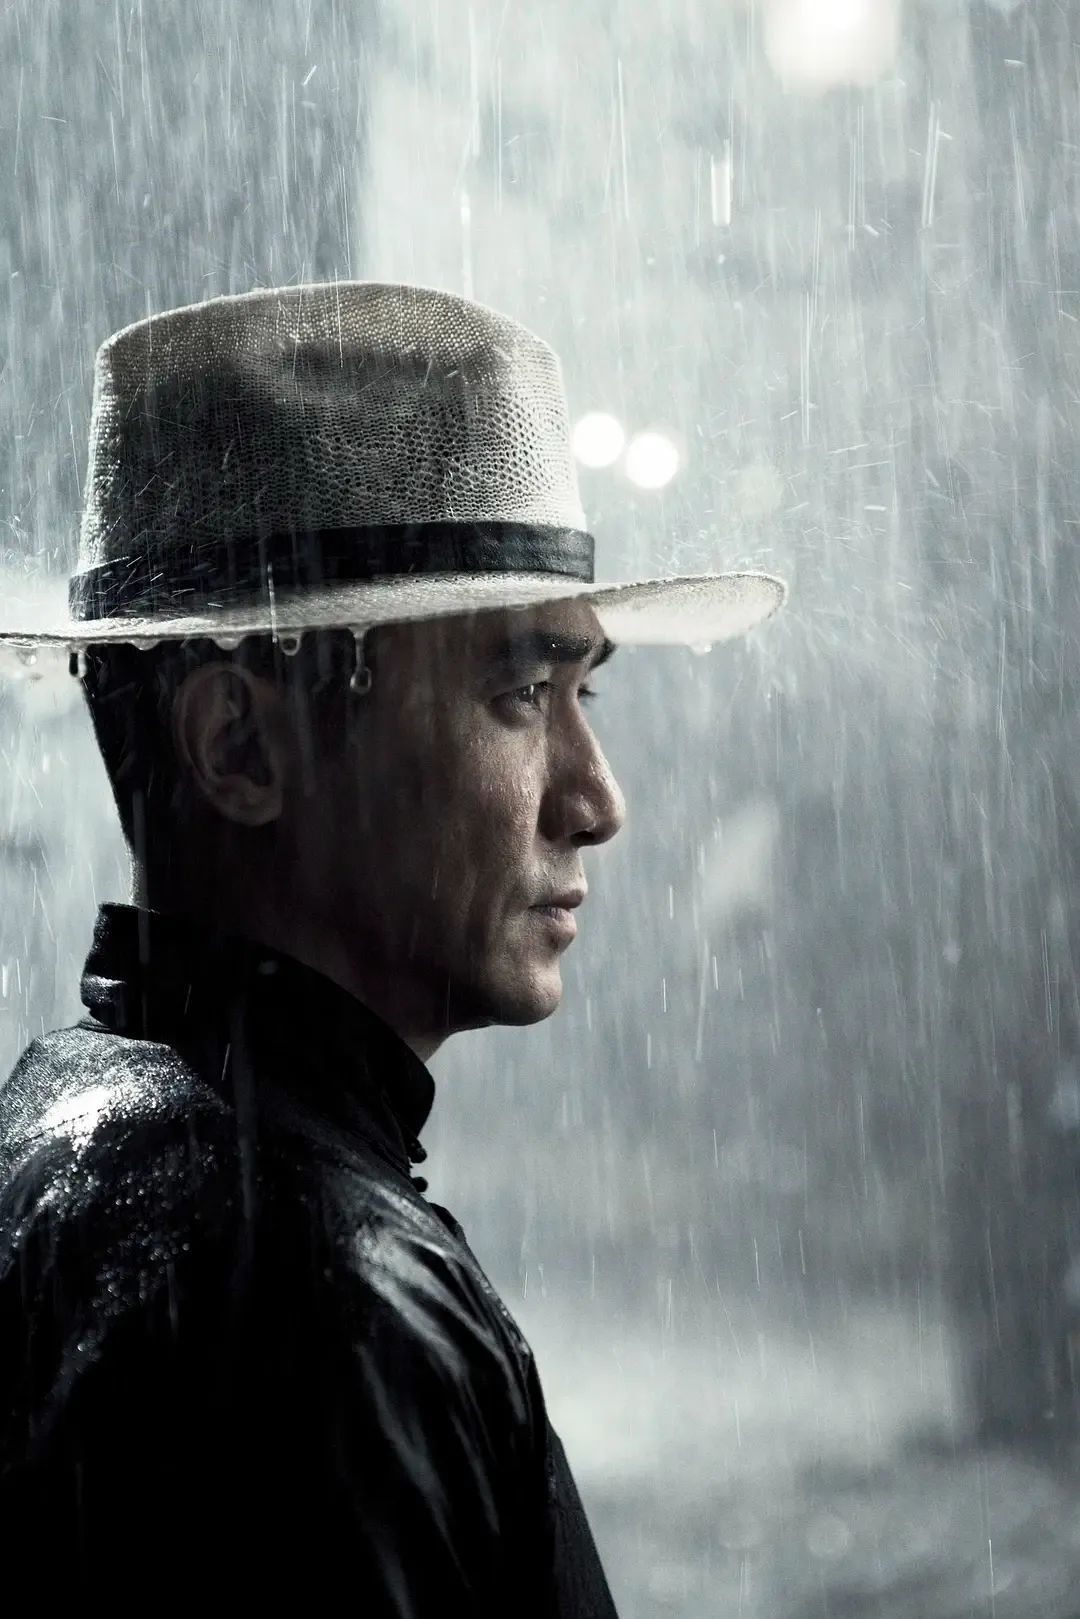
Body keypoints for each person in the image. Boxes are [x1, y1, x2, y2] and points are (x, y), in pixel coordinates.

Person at [0, 281, 785, 1608]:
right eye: (519, 691)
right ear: (241, 745)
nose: (596, 800)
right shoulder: (326, 1312)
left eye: (583, 693)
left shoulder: (50, 1134)